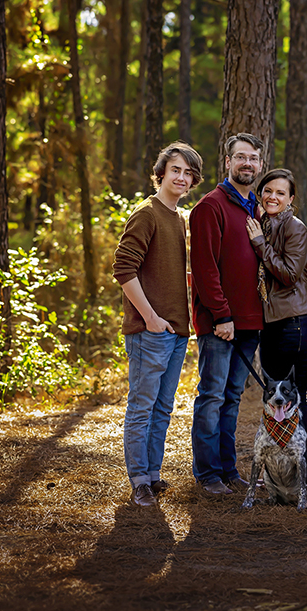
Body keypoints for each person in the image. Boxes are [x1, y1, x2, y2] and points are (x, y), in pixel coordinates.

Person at [113, 141, 203, 507]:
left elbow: (162, 269)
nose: (181, 177)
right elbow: (123, 267)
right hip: (150, 330)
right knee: (142, 406)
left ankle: (152, 473)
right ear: (162, 172)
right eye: (176, 170)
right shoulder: (147, 213)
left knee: (163, 408)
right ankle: (138, 481)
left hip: (177, 331)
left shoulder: (178, 218)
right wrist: (150, 317)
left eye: (188, 173)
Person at [189, 133, 265, 496]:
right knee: (212, 396)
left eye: (253, 158)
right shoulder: (210, 206)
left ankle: (228, 469)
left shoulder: (258, 209)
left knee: (232, 398)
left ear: (260, 165)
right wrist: (221, 315)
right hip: (221, 323)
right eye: (240, 157)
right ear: (228, 162)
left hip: (251, 323)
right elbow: (204, 269)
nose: (247, 163)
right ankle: (207, 474)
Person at [244, 169, 307, 458]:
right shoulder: (263, 224)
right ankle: (280, 470)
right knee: (276, 403)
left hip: (296, 324)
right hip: (273, 325)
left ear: (290, 199)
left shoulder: (295, 227)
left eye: (280, 193)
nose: (272, 197)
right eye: (268, 191)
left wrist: (260, 246)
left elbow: (289, 275)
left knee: (293, 400)